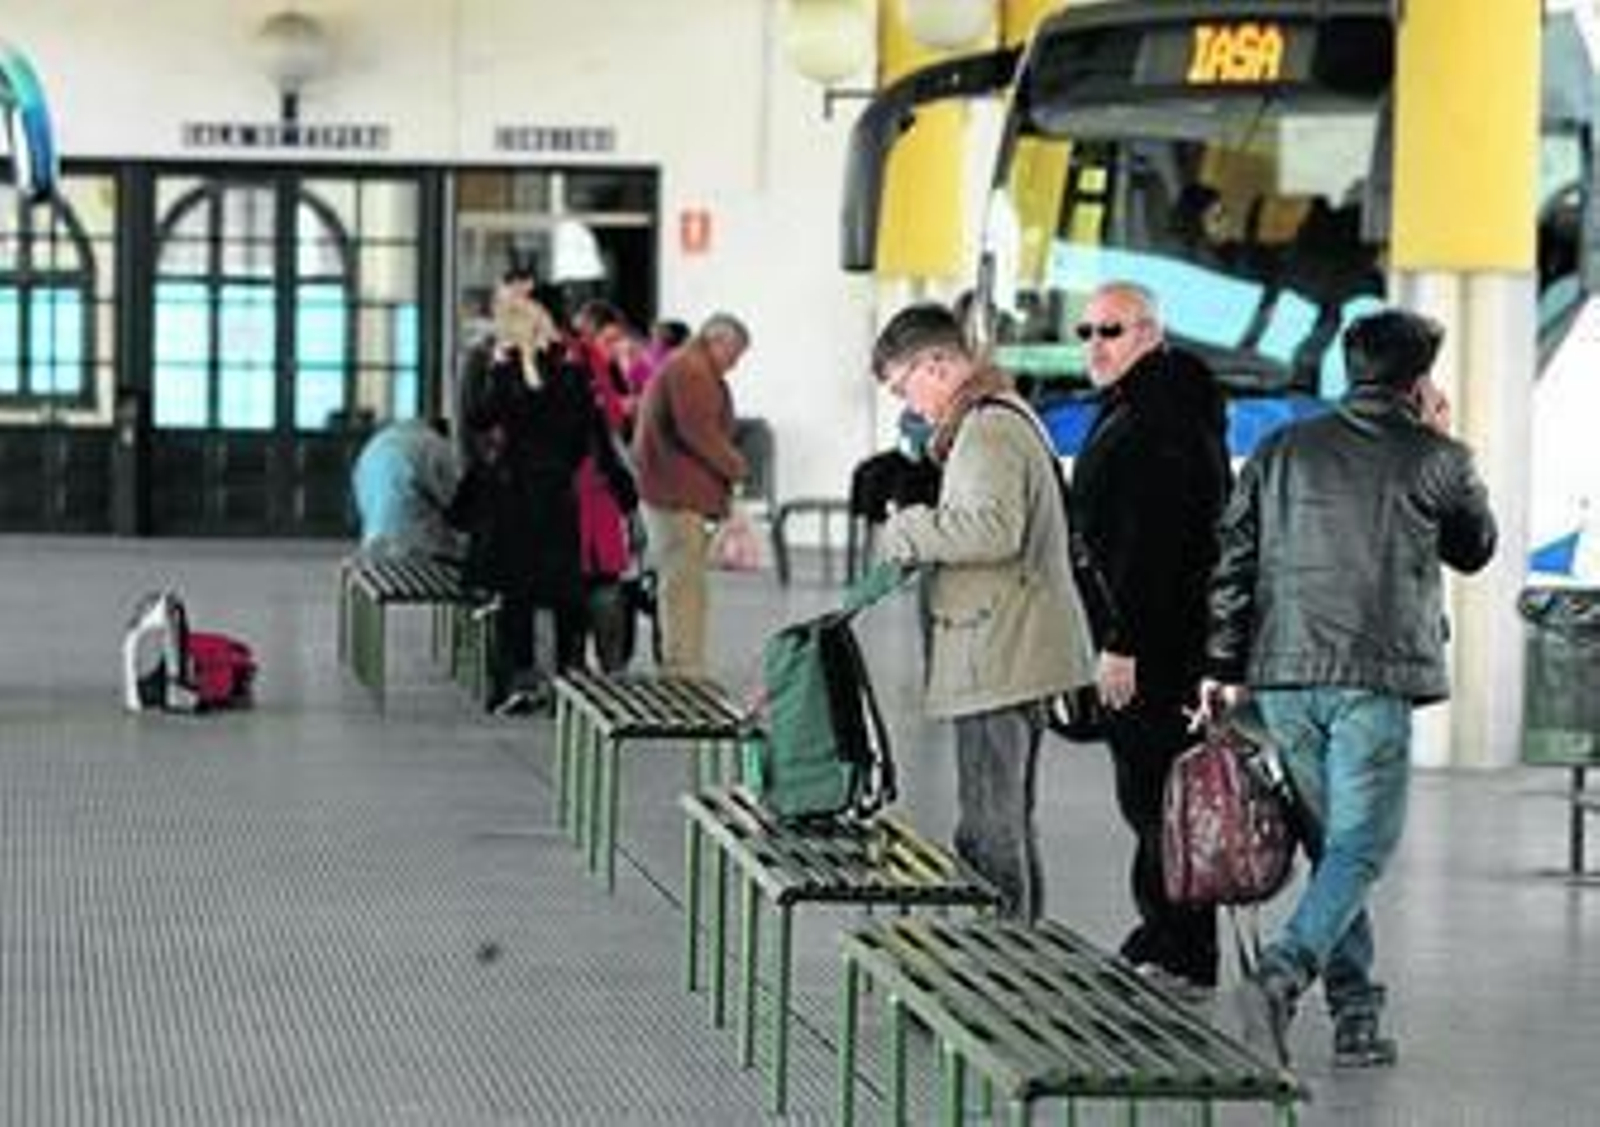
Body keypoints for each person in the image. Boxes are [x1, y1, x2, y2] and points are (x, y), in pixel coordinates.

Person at [1197, 308, 1497, 1069]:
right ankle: (1281, 973)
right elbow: (1475, 549)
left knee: (1335, 842)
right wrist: (1448, 444)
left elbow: (1234, 559)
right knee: (1363, 843)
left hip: (1284, 674)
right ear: (1419, 378)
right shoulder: (1438, 457)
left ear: (1351, 368)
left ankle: (1357, 1012)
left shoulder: (1282, 448)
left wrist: (1223, 668)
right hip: (1372, 674)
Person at [871, 303, 1097, 921]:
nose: (908, 405)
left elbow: (993, 530)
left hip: (1001, 651)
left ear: (938, 365)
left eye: (904, 386)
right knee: (1004, 819)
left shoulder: (988, 429)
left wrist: (909, 530)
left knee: (990, 828)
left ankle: (999, 972)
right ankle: (1016, 959)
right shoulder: (995, 419)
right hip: (1006, 643)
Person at [1070, 281, 1232, 994]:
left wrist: (1123, 641)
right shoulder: (1148, 404)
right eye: (1087, 331)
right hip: (1162, 639)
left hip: (1157, 647)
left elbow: (1155, 544)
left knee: (1160, 795)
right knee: (1154, 796)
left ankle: (1182, 950)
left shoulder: (1160, 419)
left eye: (1110, 330)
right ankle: (1162, 935)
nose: (1095, 346)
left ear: (1149, 334)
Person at [631, 312, 751, 676]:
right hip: (673, 496)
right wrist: (737, 467)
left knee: (687, 583)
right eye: (734, 354)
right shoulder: (690, 370)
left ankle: (686, 663)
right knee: (682, 585)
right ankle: (682, 669)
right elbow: (698, 431)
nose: (734, 364)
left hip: (675, 494)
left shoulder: (690, 366)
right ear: (717, 340)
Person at [351, 417, 463, 561]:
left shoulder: (372, 446)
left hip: (373, 544)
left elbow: (362, 500)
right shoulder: (435, 444)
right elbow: (453, 500)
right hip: (416, 546)